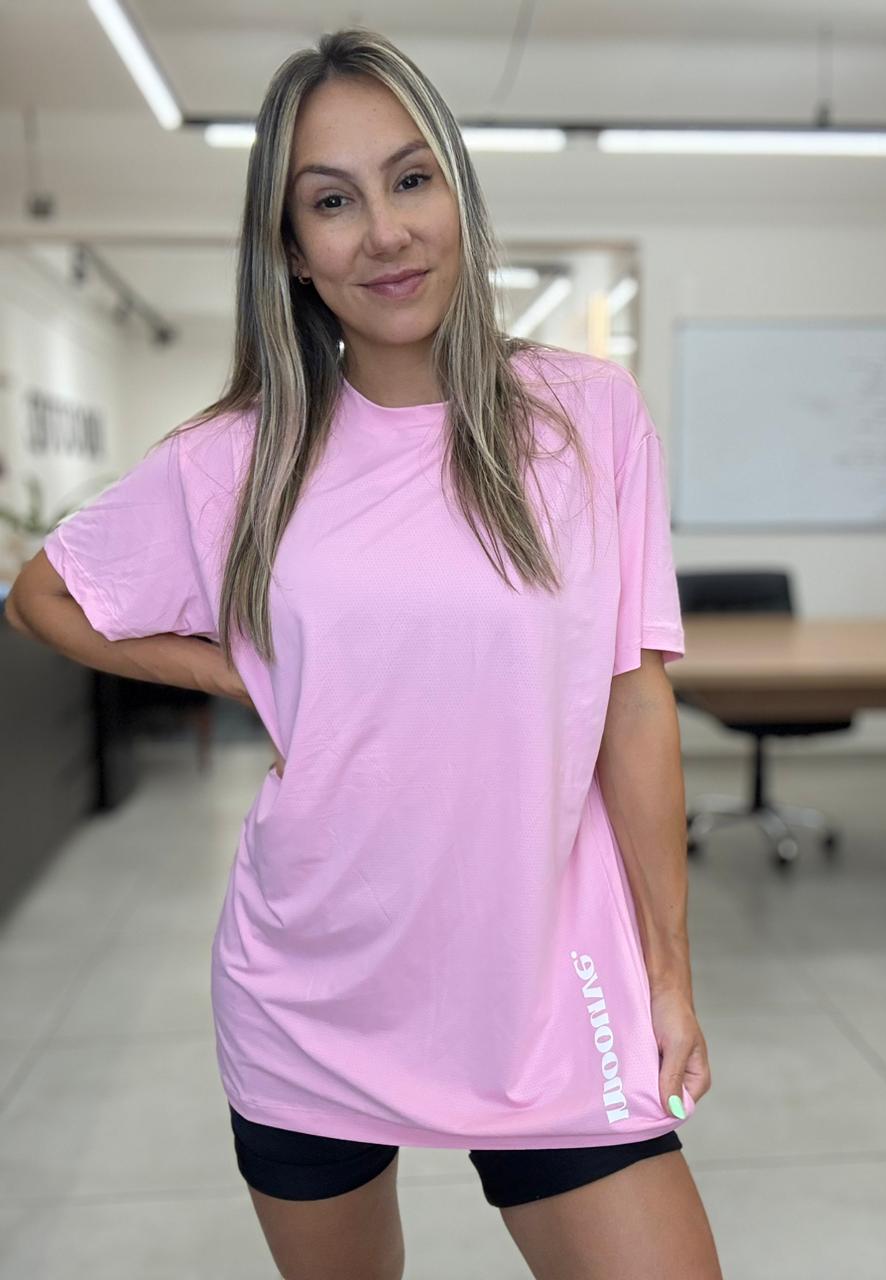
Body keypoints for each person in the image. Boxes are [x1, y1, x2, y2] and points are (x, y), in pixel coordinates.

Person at [7, 26, 723, 1280]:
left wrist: (668, 965)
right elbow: (43, 594)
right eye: (331, 201)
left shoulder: (585, 416)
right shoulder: (237, 456)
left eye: (410, 179)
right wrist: (233, 668)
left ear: (457, 193)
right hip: (311, 992)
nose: (384, 232)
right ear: (291, 246)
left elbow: (631, 697)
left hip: (549, 985)